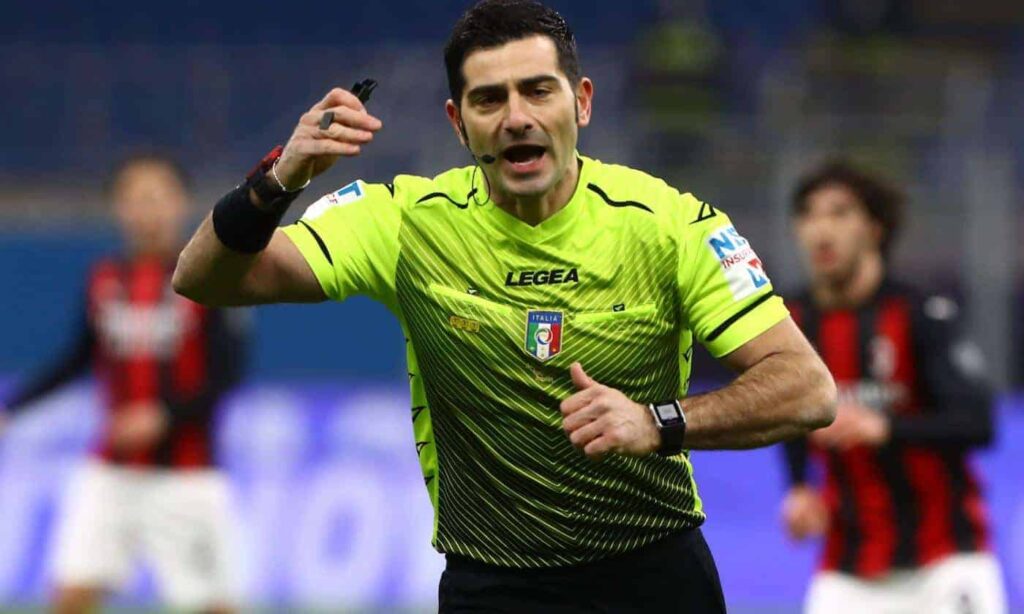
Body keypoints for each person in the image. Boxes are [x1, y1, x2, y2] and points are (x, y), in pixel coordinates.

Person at [173, 1, 836, 610]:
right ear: (458, 123)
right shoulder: (405, 222)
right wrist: (278, 177)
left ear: (581, 102)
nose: (517, 116)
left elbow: (807, 389)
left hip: (654, 576)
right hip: (491, 583)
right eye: (489, 99)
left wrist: (655, 421)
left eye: (537, 90)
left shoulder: (669, 226)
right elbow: (203, 277)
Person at [0, 153, 245, 614]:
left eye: (157, 196)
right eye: (135, 198)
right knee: (72, 595)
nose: (146, 209)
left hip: (187, 474)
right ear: (119, 207)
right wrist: (12, 407)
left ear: (181, 203)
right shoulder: (105, 278)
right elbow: (79, 357)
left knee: (212, 606)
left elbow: (228, 374)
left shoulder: (213, 277)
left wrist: (164, 414)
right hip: (111, 470)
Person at [780, 160, 1007, 613]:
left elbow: (978, 423)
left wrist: (884, 428)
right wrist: (800, 487)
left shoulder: (921, 313)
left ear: (875, 229)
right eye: (808, 214)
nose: (821, 230)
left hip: (946, 559)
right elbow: (790, 414)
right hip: (849, 567)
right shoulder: (790, 323)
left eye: (839, 213)